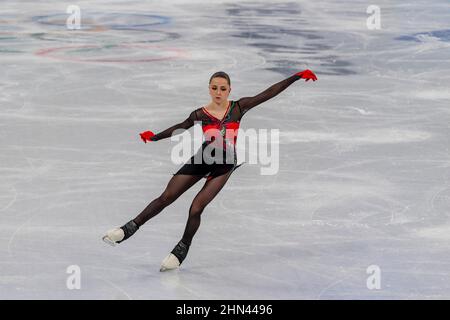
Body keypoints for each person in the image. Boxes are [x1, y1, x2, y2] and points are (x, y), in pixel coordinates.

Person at [102, 69, 318, 271]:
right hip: (202, 159)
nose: (218, 92)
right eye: (214, 88)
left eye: (223, 88)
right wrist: (154, 136)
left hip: (224, 166)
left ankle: (181, 251)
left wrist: (296, 76)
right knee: (166, 196)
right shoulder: (200, 114)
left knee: (196, 208)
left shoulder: (238, 107)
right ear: (209, 88)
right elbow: (181, 126)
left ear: (229, 90)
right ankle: (127, 230)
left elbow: (269, 93)